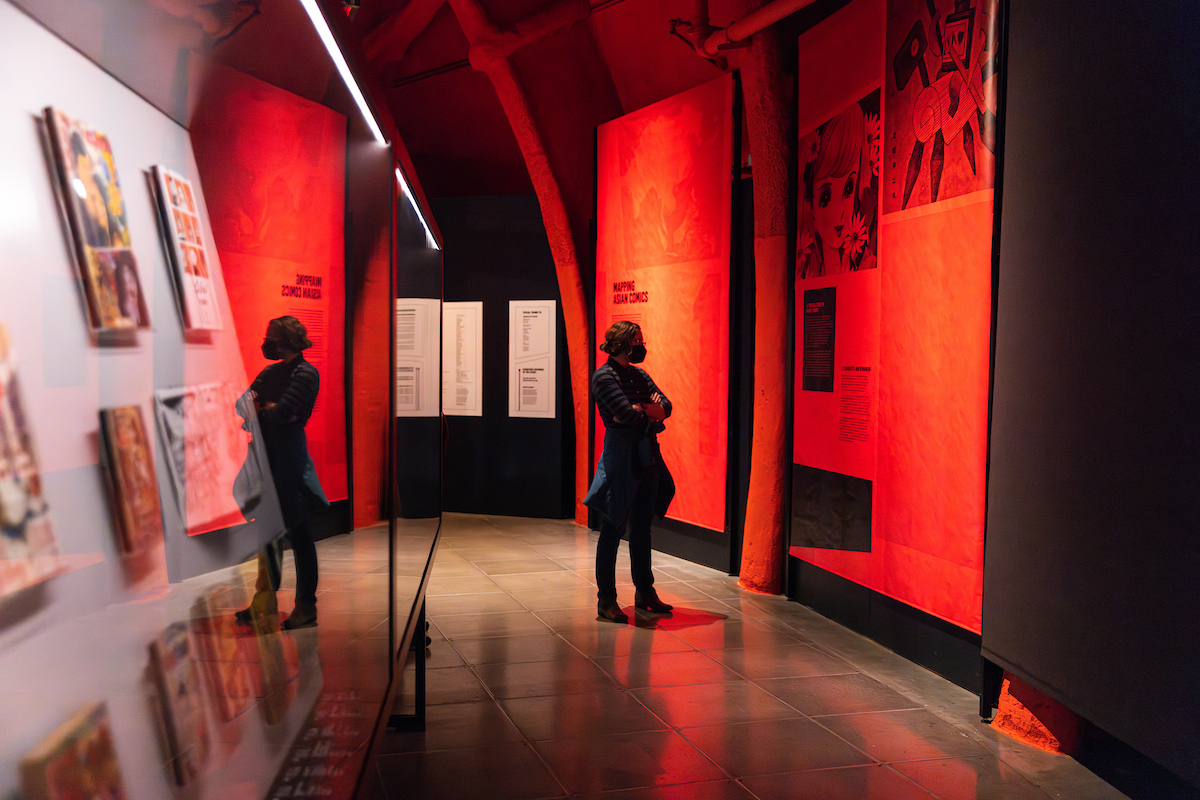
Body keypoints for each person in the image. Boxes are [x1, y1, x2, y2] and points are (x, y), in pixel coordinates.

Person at [237, 316, 328, 630]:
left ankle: (306, 606)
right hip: (267, 459)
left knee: (299, 535)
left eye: (271, 337)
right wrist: (267, 408)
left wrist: (262, 409)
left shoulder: (306, 373)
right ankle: (264, 601)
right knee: (268, 534)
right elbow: (241, 405)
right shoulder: (270, 372)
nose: (267, 343)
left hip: (289, 461)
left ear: (286, 339)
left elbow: (283, 411)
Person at [584, 321, 676, 623]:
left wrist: (643, 410)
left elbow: (667, 406)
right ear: (621, 344)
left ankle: (645, 591)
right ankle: (606, 600)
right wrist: (649, 414)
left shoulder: (639, 374)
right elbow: (624, 414)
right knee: (613, 527)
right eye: (637, 341)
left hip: (647, 454)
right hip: (621, 457)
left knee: (642, 527)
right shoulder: (603, 376)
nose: (641, 345)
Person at [797, 100, 878, 279]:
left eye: (848, 189)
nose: (840, 210)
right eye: (826, 198)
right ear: (811, 207)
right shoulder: (808, 272)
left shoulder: (866, 264)